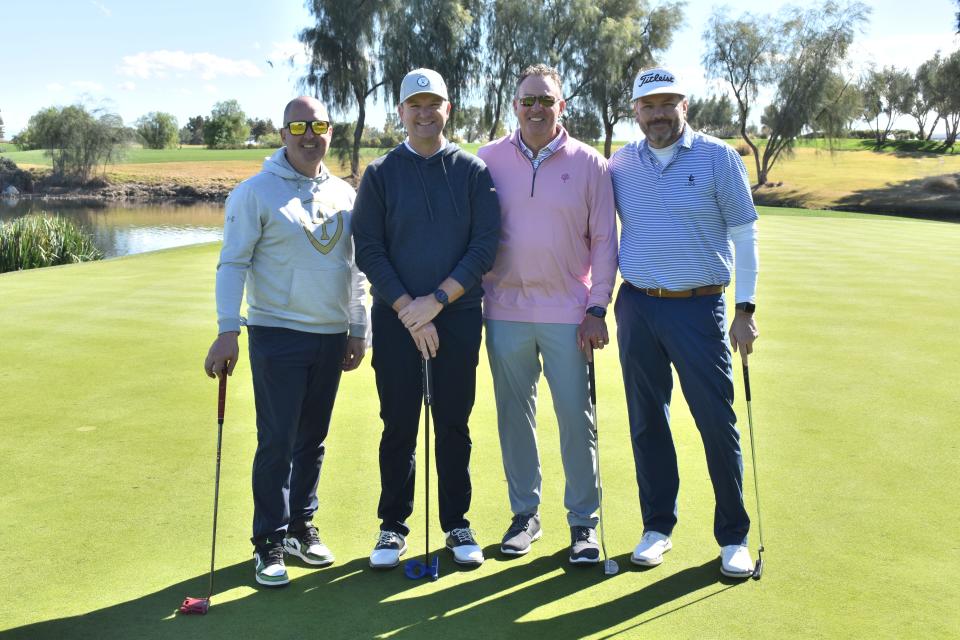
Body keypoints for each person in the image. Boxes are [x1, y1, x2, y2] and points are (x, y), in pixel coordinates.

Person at [203, 96, 367, 587]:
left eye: (318, 124)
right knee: (276, 440)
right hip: (276, 333)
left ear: (330, 132)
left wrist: (360, 328)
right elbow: (233, 263)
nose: (309, 134)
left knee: (312, 440)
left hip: (330, 334)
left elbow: (356, 269)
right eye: (299, 125)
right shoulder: (254, 193)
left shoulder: (345, 194)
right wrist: (227, 328)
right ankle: (269, 541)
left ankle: (301, 527)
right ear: (282, 133)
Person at [609, 67, 760, 578]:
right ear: (635, 111)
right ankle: (657, 527)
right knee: (647, 420)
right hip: (636, 305)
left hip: (698, 306)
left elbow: (744, 236)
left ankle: (733, 535)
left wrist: (746, 309)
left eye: (666, 103)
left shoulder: (718, 157)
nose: (657, 114)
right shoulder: (622, 162)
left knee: (716, 421)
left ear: (684, 106)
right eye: (647, 106)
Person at [352, 68, 500, 570]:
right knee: (398, 424)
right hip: (396, 320)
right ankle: (393, 526)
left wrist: (435, 301)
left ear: (447, 109)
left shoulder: (472, 170)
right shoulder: (380, 173)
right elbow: (369, 249)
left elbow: (484, 246)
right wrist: (409, 310)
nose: (423, 112)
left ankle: (456, 521)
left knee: (453, 423)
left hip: (456, 316)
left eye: (432, 103)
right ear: (401, 112)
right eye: (414, 105)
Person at [476, 64, 618, 564]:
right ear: (514, 105)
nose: (536, 108)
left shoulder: (590, 164)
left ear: (562, 106)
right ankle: (525, 516)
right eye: (527, 100)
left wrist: (598, 306)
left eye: (546, 100)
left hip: (569, 311)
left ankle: (583, 524)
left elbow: (604, 241)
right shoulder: (487, 158)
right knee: (515, 418)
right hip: (504, 309)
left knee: (577, 421)